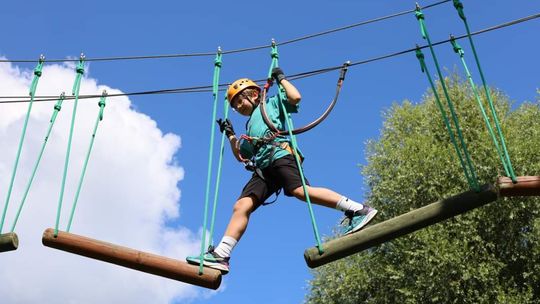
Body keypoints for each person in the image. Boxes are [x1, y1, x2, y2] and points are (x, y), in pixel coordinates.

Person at [186, 67, 378, 274]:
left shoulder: (271, 105)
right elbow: (242, 154)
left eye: (240, 100)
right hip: (263, 168)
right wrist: (231, 135)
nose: (239, 106)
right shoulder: (251, 125)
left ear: (254, 94)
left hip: (280, 156)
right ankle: (221, 255)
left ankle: (358, 209)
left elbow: (295, 97)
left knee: (300, 191)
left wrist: (281, 79)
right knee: (241, 205)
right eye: (235, 105)